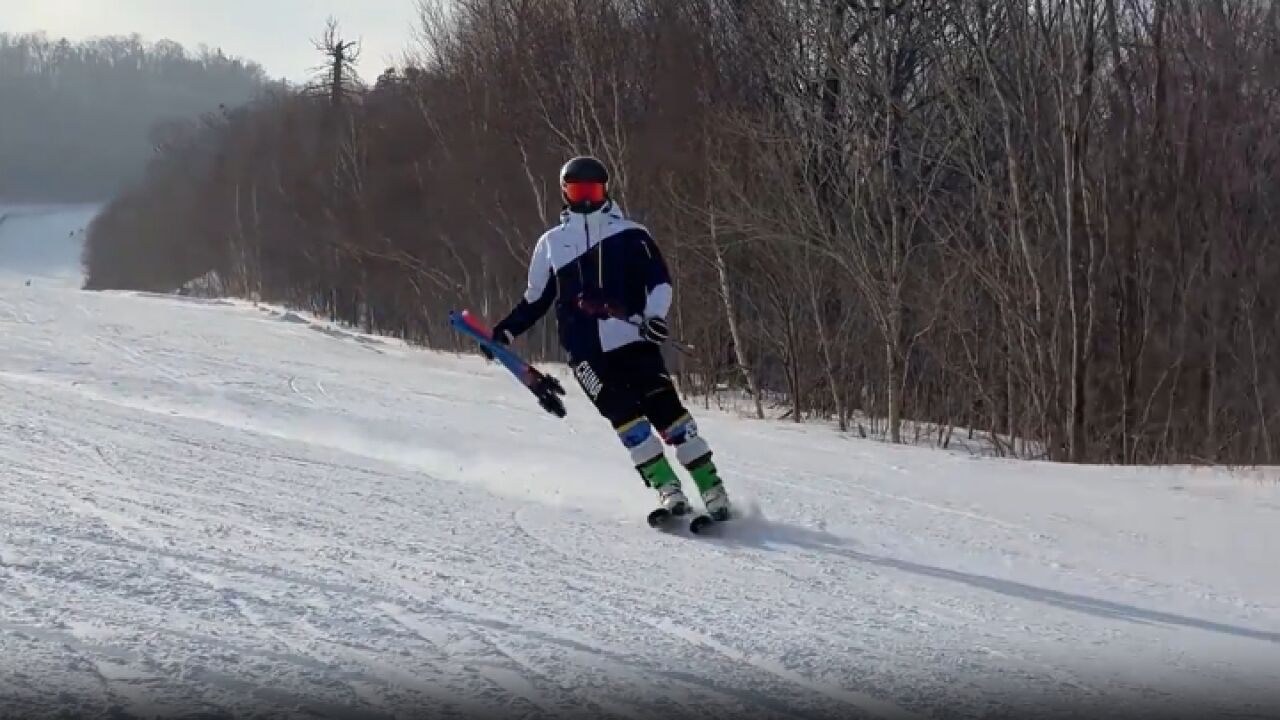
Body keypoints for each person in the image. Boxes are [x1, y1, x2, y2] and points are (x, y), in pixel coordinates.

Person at [483, 155, 732, 521]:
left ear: (605, 190)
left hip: (633, 342)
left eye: (593, 189)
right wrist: (504, 330)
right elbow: (536, 298)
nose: (585, 197)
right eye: (577, 189)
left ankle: (712, 490)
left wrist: (654, 318)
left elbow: (659, 283)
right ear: (564, 192)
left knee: (669, 414)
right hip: (586, 353)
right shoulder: (552, 243)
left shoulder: (631, 234)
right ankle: (668, 489)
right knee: (625, 419)